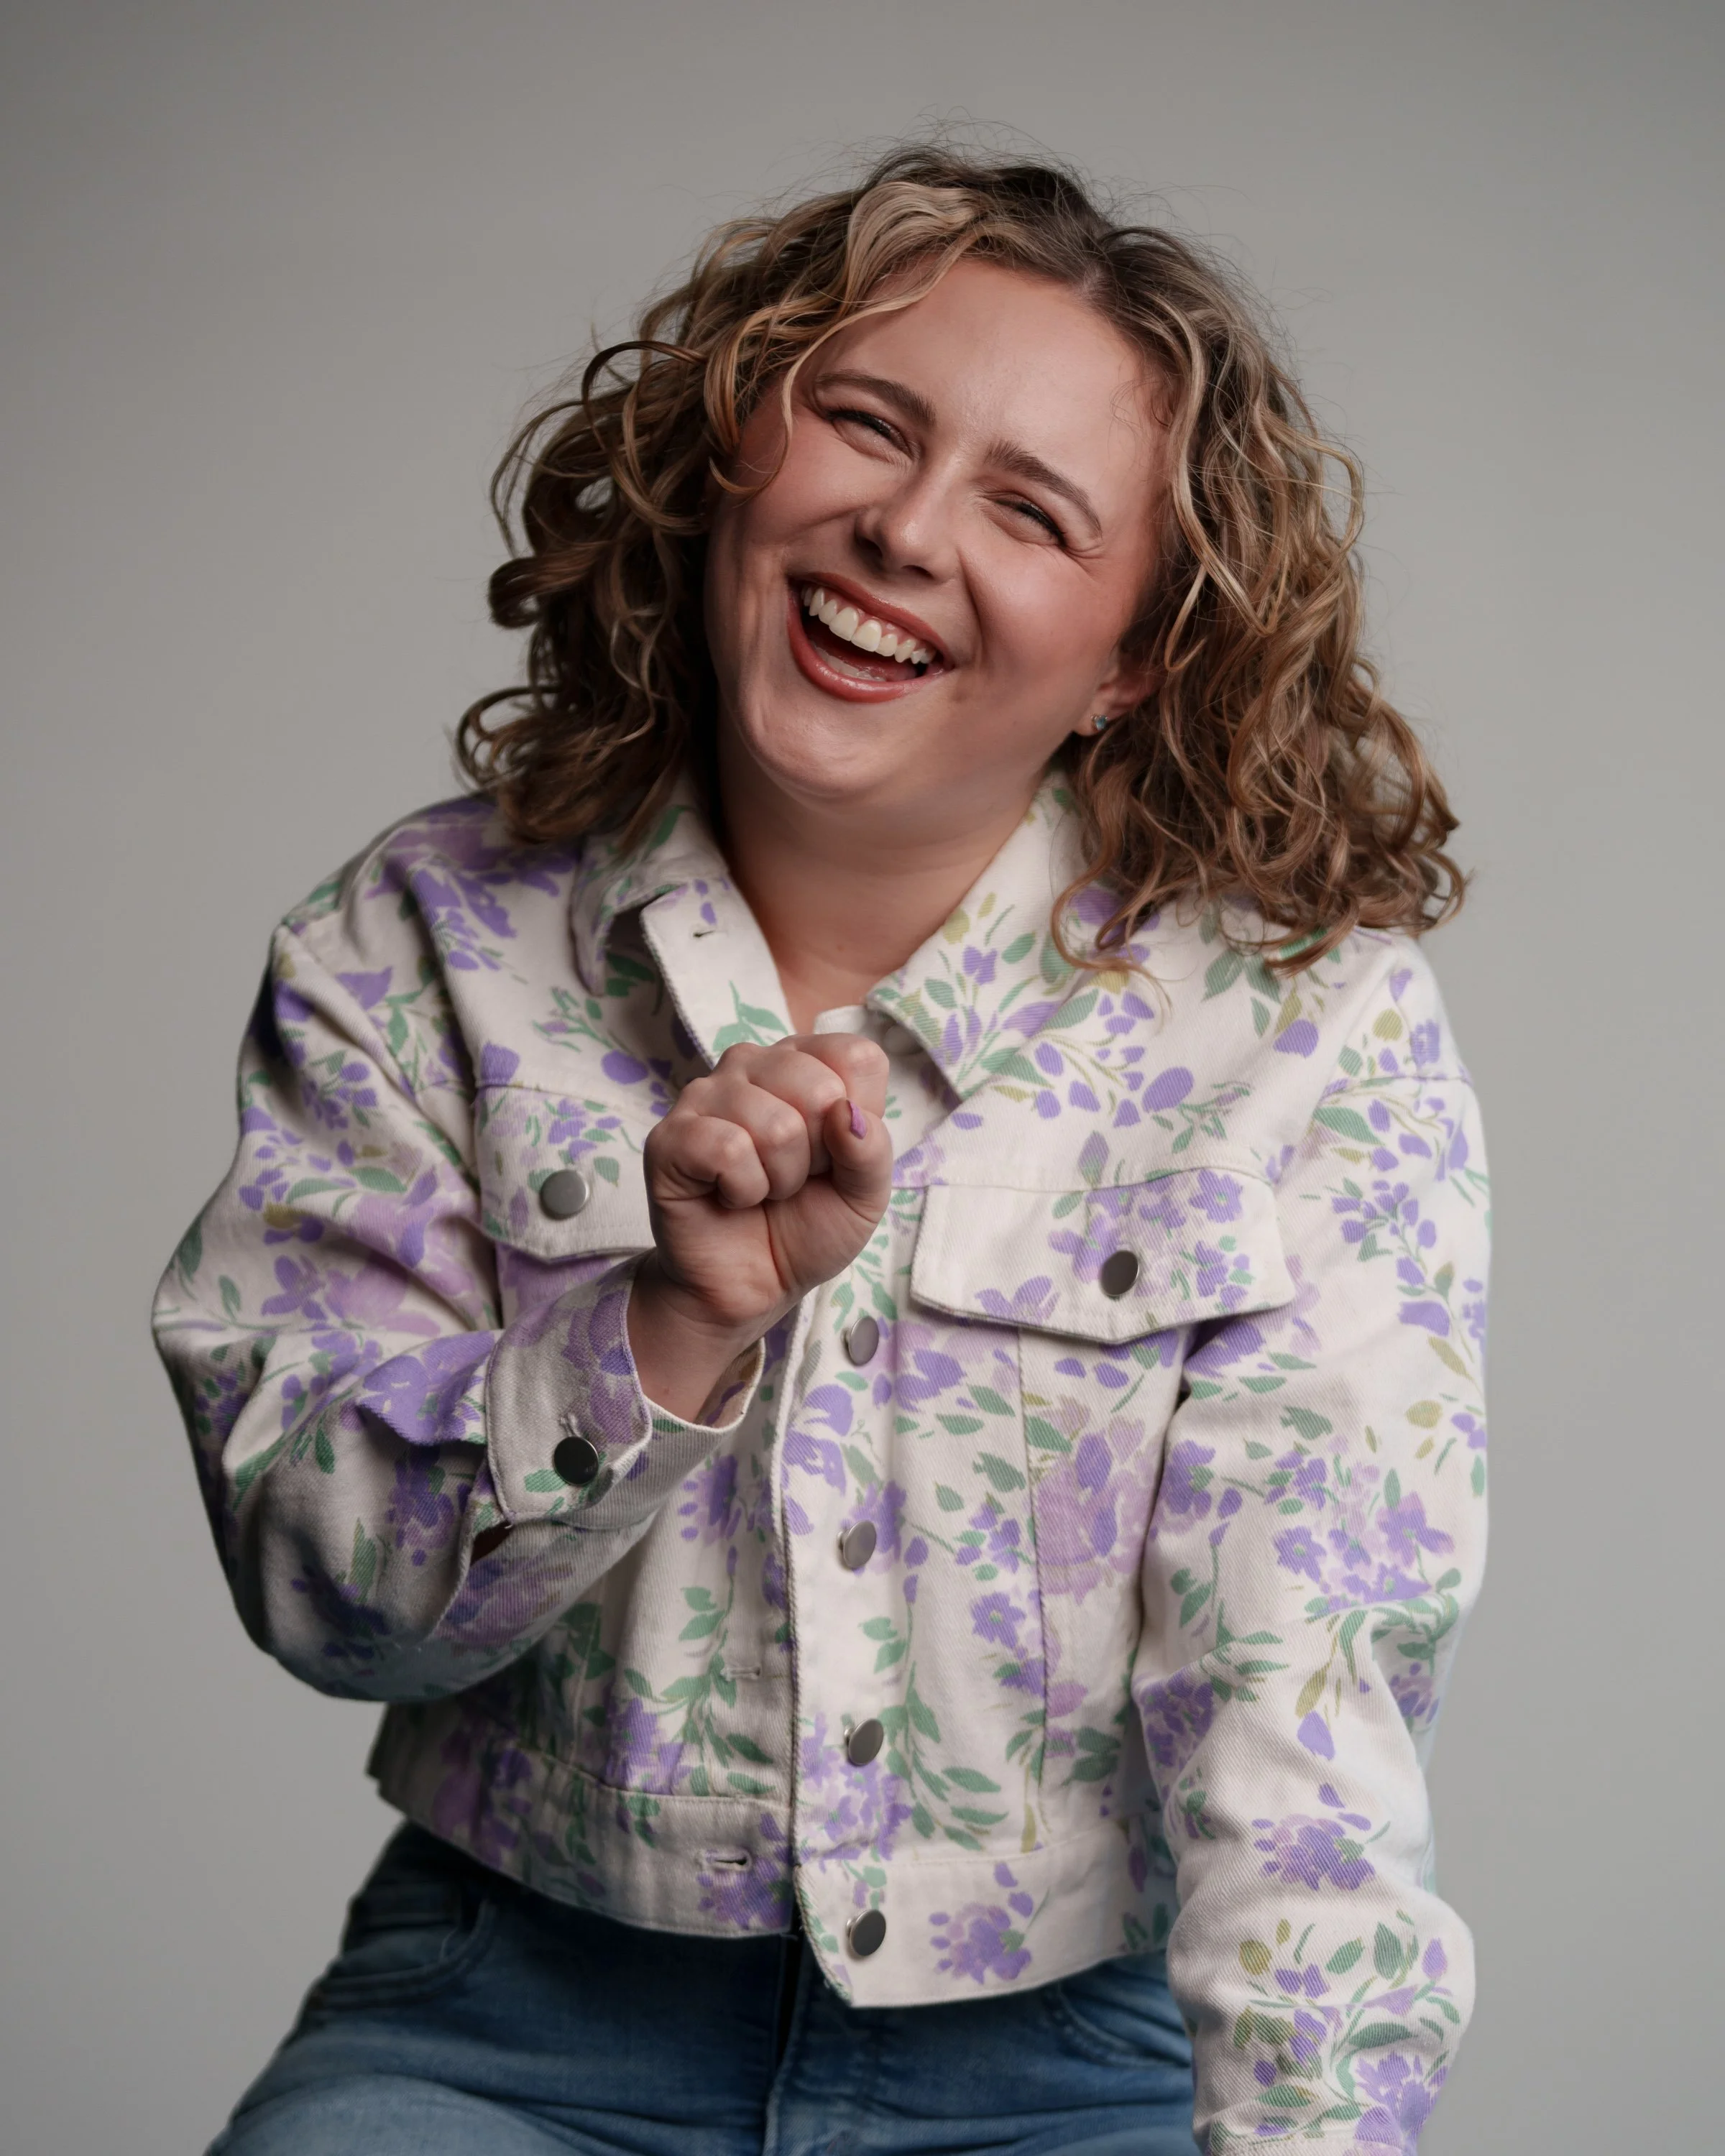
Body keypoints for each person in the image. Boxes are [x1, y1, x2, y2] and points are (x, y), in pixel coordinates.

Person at [155, 146, 1488, 2156]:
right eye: (868, 424)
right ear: (732, 453)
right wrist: (662, 1326)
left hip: (1074, 2067)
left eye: (1031, 512)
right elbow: (325, 1600)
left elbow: (1306, 1683)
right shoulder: (411, 947)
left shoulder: (1301, 1024)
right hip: (507, 2021)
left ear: (1135, 651)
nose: (903, 530)